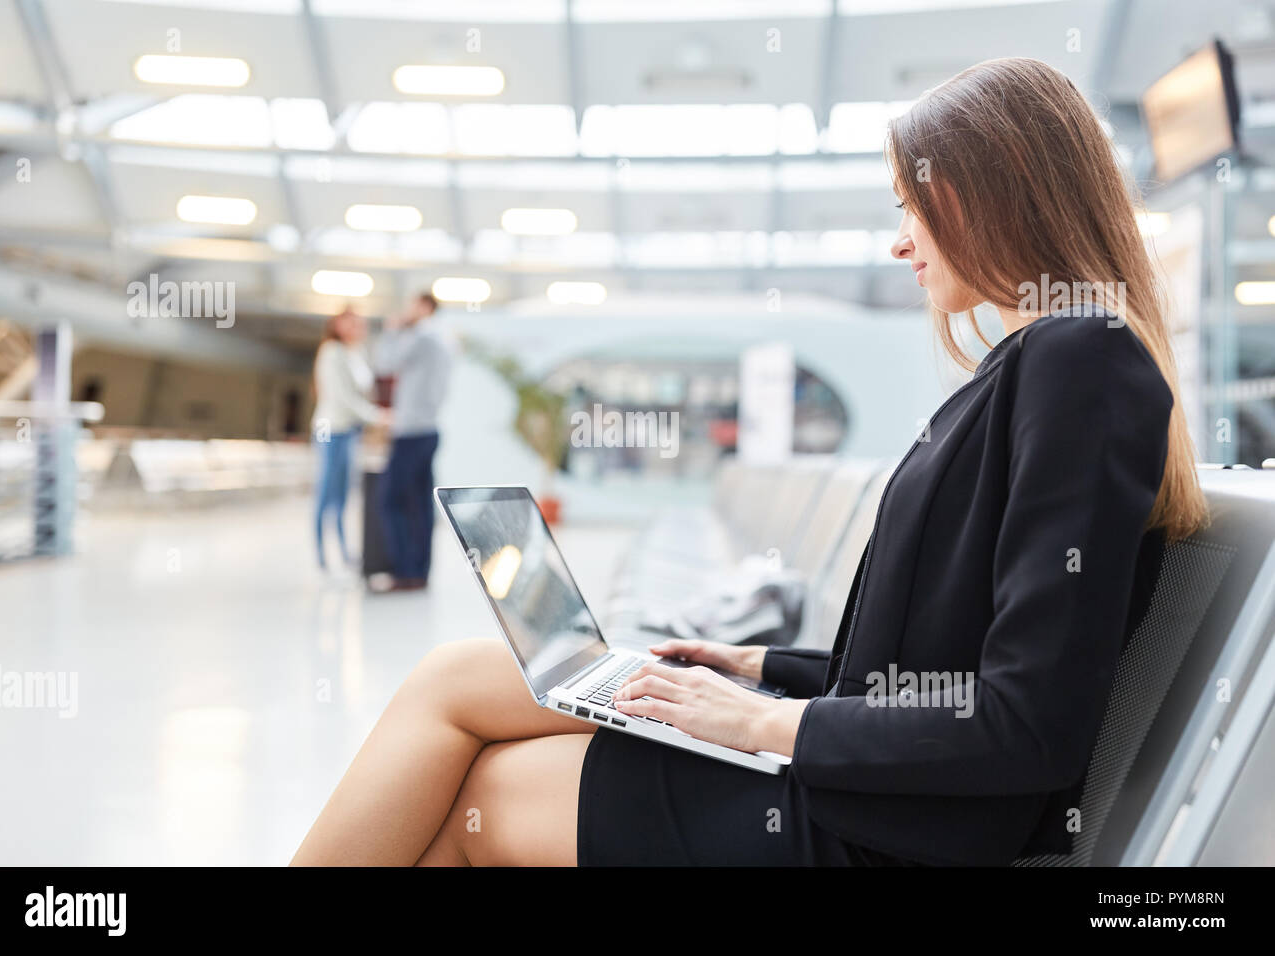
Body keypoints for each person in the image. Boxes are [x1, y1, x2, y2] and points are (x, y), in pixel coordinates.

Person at [292, 58, 1209, 867]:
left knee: (488, 797)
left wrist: (759, 720)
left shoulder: (1079, 362)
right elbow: (923, 667)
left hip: (889, 828)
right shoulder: (1040, 365)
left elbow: (1027, 723)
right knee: (457, 679)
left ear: (996, 186)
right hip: (869, 782)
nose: (902, 241)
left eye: (911, 204)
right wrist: (753, 666)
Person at [371, 292, 452, 592]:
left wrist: (392, 330)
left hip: (410, 432)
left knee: (391, 500)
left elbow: (384, 364)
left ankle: (404, 572)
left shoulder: (421, 337)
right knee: (420, 505)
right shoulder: (446, 338)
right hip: (429, 429)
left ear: (424, 307)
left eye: (411, 305)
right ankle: (419, 571)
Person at [311, 308, 385, 573]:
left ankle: (343, 550)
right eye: (352, 323)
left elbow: (365, 391)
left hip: (350, 431)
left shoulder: (357, 354)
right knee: (326, 491)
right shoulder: (332, 352)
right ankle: (320, 553)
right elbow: (342, 397)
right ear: (338, 325)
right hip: (330, 430)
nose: (358, 328)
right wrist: (377, 416)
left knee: (344, 493)